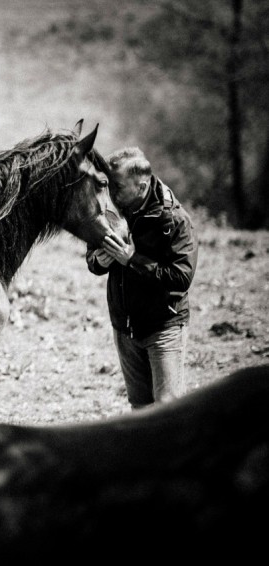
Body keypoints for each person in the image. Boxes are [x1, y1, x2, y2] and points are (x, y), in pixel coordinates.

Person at [87, 147, 198, 409]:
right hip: (125, 329)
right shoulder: (111, 213)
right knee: (139, 410)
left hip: (164, 329)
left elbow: (181, 277)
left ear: (141, 186)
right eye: (110, 186)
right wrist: (98, 261)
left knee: (167, 411)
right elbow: (92, 258)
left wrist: (132, 260)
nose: (112, 194)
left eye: (119, 187)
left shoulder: (175, 219)